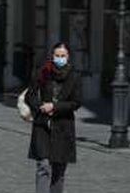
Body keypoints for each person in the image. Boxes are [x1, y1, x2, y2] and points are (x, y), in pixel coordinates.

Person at [25, 42, 82, 193]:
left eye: (63, 56)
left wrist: (55, 107)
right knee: (43, 165)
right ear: (52, 56)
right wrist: (40, 107)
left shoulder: (74, 76)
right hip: (43, 124)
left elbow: (76, 102)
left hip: (63, 126)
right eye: (57, 55)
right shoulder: (43, 72)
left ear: (68, 57)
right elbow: (30, 95)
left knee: (58, 171)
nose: (60, 58)